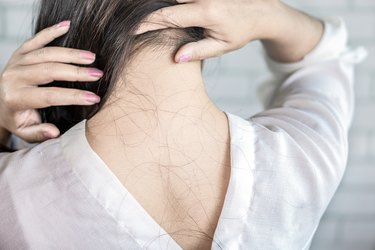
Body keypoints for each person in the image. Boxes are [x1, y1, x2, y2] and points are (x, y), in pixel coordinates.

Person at [0, 0, 366, 249]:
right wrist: (264, 13)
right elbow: (325, 57)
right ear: (207, 21)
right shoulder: (303, 160)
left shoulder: (12, 191)